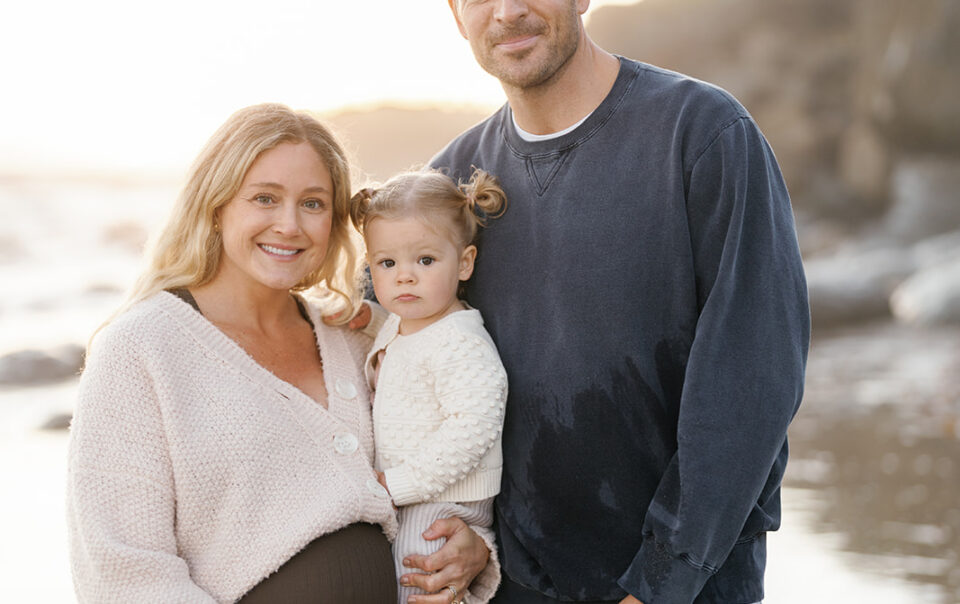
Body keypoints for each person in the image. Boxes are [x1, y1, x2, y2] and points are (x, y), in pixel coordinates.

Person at [425, 1, 811, 603]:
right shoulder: (448, 188)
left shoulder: (704, 133)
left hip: (690, 585)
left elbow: (751, 383)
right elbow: (410, 379)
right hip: (515, 585)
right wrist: (478, 539)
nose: (507, 11)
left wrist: (659, 584)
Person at [66, 103, 489, 603]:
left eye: (312, 203)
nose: (289, 225)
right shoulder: (141, 351)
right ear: (217, 206)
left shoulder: (357, 338)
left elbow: (433, 462)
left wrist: (473, 550)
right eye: (265, 198)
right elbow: (123, 573)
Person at [350, 169, 509, 604]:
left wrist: (397, 485)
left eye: (425, 261)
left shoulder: (461, 341)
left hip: (441, 503)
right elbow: (409, 346)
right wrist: (372, 321)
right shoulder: (410, 323)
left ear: (465, 262)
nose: (404, 276)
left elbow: (474, 429)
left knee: (420, 586)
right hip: (416, 495)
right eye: (387, 263)